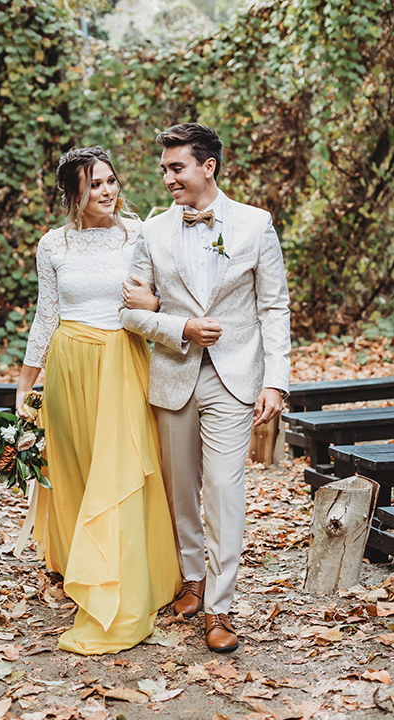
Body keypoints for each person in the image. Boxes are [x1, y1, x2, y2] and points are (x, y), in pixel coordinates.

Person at [121, 123, 291, 653]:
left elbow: (274, 306)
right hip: (173, 375)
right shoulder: (152, 231)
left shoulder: (255, 224)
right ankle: (191, 577)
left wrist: (276, 382)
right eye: (165, 168)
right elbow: (129, 312)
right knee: (179, 492)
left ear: (207, 166)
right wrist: (178, 328)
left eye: (177, 167)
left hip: (235, 377)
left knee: (223, 491)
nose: (166, 176)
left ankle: (220, 607)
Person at [16, 146, 181, 655]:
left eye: (111, 181)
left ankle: (126, 584)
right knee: (79, 467)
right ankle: (81, 568)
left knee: (119, 471)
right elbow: (47, 316)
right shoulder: (53, 245)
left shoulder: (138, 233)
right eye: (94, 185)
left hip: (121, 359)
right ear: (74, 193)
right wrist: (25, 384)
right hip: (68, 364)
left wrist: (149, 304)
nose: (107, 192)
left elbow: (162, 299)